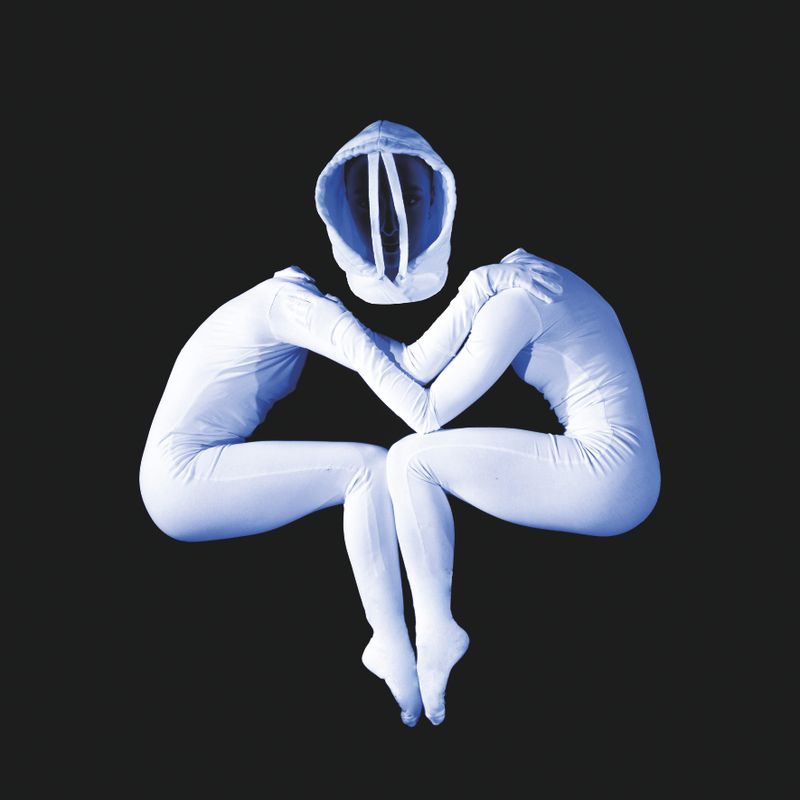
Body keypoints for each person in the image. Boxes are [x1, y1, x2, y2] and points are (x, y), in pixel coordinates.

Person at [138, 119, 562, 727]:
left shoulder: (301, 306)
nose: (384, 231)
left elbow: (409, 362)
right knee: (369, 467)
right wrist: (481, 286)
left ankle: (404, 648)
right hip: (180, 480)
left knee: (372, 466)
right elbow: (416, 404)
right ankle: (389, 640)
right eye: (364, 213)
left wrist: (483, 288)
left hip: (187, 475)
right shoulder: (295, 307)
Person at [284, 121, 662, 726]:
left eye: (411, 202)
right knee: (410, 461)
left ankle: (436, 630)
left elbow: (426, 411)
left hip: (612, 476)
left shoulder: (519, 298)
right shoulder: (519, 284)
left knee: (412, 459)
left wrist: (472, 289)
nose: (391, 230)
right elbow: (416, 362)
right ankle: (424, 635)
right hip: (619, 472)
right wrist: (333, 327)